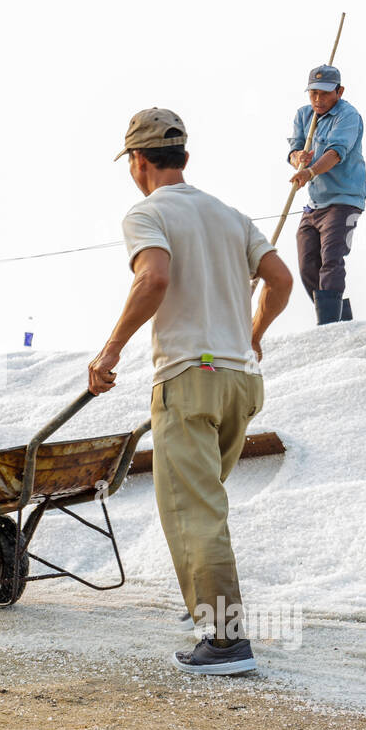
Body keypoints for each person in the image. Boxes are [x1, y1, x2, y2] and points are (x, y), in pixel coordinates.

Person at [89, 108, 293, 675]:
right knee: (206, 500)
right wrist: (252, 335)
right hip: (240, 381)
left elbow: (153, 277)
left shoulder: (147, 213)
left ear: (137, 161)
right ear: (182, 155)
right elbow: (280, 281)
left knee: (194, 509)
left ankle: (224, 640)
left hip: (188, 377)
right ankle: (209, 607)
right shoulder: (230, 215)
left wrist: (110, 351)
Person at [286, 64, 366, 324]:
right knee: (307, 264)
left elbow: (335, 153)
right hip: (315, 203)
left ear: (339, 91)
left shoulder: (348, 116)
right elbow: (293, 151)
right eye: (313, 93)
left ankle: (329, 327)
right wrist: (298, 158)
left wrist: (310, 172)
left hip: (344, 200)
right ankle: (341, 323)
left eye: (324, 94)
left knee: (331, 259)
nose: (318, 100)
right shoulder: (303, 115)